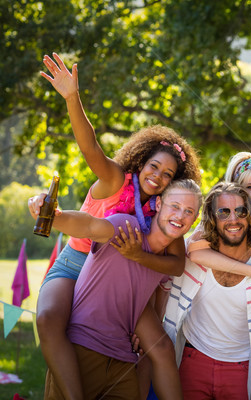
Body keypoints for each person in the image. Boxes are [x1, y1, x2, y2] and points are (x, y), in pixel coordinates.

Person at [36, 52, 201, 400]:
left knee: (152, 348)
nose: (158, 177)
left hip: (122, 279)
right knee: (48, 322)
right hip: (77, 265)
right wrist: (71, 97)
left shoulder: (162, 211)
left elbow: (173, 262)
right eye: (154, 167)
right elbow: (90, 147)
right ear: (141, 162)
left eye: (168, 175)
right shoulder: (114, 179)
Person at [28, 179, 202, 399]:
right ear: (158, 204)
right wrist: (54, 215)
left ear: (195, 219)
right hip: (82, 351)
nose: (180, 215)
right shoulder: (126, 227)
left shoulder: (168, 259)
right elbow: (89, 225)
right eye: (174, 206)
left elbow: (160, 292)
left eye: (188, 211)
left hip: (122, 364)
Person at [163, 182, 251, 400]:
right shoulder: (192, 256)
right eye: (223, 212)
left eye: (241, 211)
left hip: (239, 367)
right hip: (192, 357)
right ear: (212, 219)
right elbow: (163, 284)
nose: (233, 219)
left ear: (250, 215)